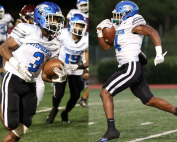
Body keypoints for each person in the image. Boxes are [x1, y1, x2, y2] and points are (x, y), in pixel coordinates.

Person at [96, 1, 177, 142]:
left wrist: (158, 53)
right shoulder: (116, 26)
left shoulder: (132, 23)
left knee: (105, 92)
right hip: (129, 67)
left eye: (119, 14)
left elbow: (152, 31)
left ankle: (111, 130)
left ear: (128, 14)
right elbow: (105, 47)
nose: (116, 17)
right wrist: (99, 32)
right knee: (149, 100)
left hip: (132, 66)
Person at [0, 2, 67, 141]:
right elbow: (3, 48)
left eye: (58, 19)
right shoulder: (26, 29)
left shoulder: (55, 44)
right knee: (9, 124)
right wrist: (18, 66)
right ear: (42, 17)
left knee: (22, 127)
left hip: (31, 86)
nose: (56, 23)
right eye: (53, 18)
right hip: (14, 79)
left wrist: (56, 78)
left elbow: (44, 74)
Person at [46, 13, 88, 124]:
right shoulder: (63, 34)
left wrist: (79, 66)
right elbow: (50, 41)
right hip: (61, 68)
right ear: (70, 25)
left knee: (76, 96)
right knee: (59, 94)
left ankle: (65, 112)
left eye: (81, 25)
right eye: (77, 25)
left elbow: (87, 62)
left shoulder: (86, 39)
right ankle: (54, 109)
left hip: (76, 70)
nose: (79, 28)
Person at [0, 5, 14, 81]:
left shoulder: (7, 17)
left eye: (1, 12)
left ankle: (5, 74)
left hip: (4, 41)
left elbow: (11, 27)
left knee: (5, 58)